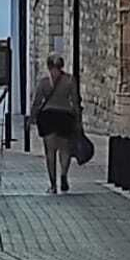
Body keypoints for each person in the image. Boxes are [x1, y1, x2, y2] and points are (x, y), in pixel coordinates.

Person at [32, 51, 81, 193]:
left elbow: (37, 102)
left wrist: (32, 117)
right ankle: (64, 174)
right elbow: (75, 101)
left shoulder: (44, 82)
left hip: (48, 116)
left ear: (48, 65)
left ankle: (53, 185)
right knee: (65, 149)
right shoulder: (70, 80)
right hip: (65, 116)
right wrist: (77, 119)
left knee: (50, 151)